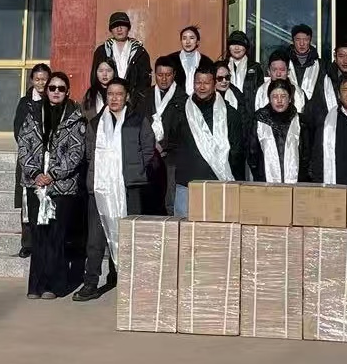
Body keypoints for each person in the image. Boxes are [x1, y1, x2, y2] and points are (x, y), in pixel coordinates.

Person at [73, 78, 155, 302]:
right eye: (110, 94)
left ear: (126, 96)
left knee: (128, 234)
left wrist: (134, 170)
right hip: (100, 187)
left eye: (119, 94)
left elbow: (148, 149)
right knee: (95, 238)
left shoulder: (137, 120)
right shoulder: (96, 123)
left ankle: (122, 277)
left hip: (129, 186)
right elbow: (89, 154)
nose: (115, 98)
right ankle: (91, 282)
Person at [16, 72, 85, 300]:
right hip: (35, 184)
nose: (56, 92)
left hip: (61, 186)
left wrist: (53, 175)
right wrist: (35, 173)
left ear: (67, 92)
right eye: (52, 87)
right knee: (39, 235)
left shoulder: (75, 118)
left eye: (61, 88)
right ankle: (35, 285)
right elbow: (23, 146)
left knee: (56, 235)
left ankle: (53, 285)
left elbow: (76, 152)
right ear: (46, 90)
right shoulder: (33, 115)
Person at [165, 64, 245, 218]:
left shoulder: (230, 114)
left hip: (218, 182)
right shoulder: (180, 111)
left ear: (214, 84)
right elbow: (172, 143)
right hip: (187, 184)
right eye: (198, 82)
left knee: (216, 228)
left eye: (206, 83)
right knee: (184, 229)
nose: (201, 87)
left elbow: (237, 151)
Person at [136, 56, 186, 216]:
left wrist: (163, 145)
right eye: (160, 75)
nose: (164, 79)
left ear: (174, 75)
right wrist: (150, 143)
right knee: (149, 198)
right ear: (154, 75)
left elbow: (183, 131)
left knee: (169, 198)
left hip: (171, 157)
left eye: (168, 75)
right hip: (148, 155)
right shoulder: (145, 96)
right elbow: (138, 123)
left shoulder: (183, 99)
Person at [13, 63, 50, 259]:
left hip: (49, 160)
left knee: (47, 201)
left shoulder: (54, 99)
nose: (41, 83)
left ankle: (45, 241)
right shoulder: (25, 103)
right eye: (37, 79)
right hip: (28, 160)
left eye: (44, 79)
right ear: (32, 80)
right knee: (27, 203)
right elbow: (18, 131)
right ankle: (27, 243)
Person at [248, 79, 312, 183]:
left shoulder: (300, 121)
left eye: (283, 96)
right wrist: (260, 178)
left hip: (295, 183)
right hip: (265, 182)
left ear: (290, 99)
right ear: (269, 99)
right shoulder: (259, 120)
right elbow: (252, 155)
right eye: (275, 96)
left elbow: (306, 156)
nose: (279, 100)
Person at [91, 11, 152, 101]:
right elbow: (94, 78)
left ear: (128, 28)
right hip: (108, 100)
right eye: (115, 26)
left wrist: (134, 99)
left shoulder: (140, 52)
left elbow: (145, 81)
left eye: (123, 25)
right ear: (111, 30)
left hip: (133, 102)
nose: (119, 29)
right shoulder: (102, 51)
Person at [310, 41, 347, 123]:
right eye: (341, 56)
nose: (345, 61)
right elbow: (315, 111)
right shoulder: (324, 80)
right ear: (335, 57)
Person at [287, 24, 329, 105]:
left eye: (305, 39)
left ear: (310, 41)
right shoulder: (285, 63)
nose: (302, 43)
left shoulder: (322, 65)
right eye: (298, 40)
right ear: (293, 41)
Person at [167, 25, 214, 96]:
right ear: (181, 41)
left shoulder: (206, 62)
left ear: (197, 41)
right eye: (184, 38)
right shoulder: (171, 60)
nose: (187, 41)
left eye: (191, 38)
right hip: (176, 99)